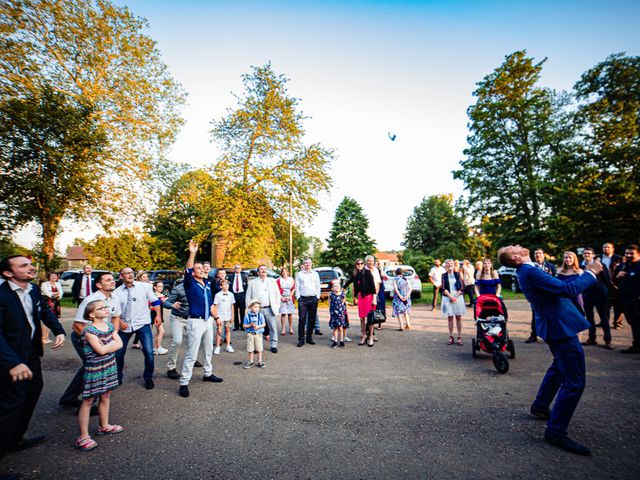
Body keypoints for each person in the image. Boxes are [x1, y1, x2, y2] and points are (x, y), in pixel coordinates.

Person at [498, 245, 602, 456]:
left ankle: (540, 405)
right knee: (574, 381)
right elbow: (567, 290)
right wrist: (592, 272)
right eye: (514, 247)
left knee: (559, 367)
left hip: (556, 324)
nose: (518, 245)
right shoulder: (530, 271)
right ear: (517, 257)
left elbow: (559, 284)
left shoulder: (529, 269)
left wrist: (580, 275)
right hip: (559, 327)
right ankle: (555, 432)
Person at [0, 255, 66, 458]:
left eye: (30, 264)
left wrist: (59, 330)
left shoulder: (34, 290)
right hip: (9, 357)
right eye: (24, 265)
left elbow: (44, 312)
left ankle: (15, 438)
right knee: (12, 403)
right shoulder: (1, 295)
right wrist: (12, 362)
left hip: (30, 352)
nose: (31, 267)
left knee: (33, 390)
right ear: (8, 273)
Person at [59, 272, 121, 410]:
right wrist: (97, 342)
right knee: (93, 368)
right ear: (99, 285)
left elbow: (116, 317)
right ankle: (89, 405)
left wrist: (112, 335)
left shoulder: (114, 297)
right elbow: (77, 325)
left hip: (103, 338)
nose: (113, 281)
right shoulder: (91, 300)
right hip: (85, 338)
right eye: (108, 280)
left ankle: (68, 398)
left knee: (90, 368)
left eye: (113, 279)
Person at [75, 300, 123, 451]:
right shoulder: (89, 331)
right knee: (89, 400)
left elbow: (120, 343)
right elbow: (100, 351)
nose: (105, 309)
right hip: (95, 368)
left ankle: (105, 426)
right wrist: (110, 347)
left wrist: (106, 347)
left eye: (105, 307)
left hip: (109, 365)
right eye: (101, 308)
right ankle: (83, 437)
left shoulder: (109, 326)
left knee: (106, 395)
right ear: (92, 314)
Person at [178, 240, 223, 398]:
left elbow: (211, 304)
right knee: (192, 352)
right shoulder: (190, 283)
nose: (202, 270)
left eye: (202, 268)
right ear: (193, 272)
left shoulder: (207, 284)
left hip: (208, 320)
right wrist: (192, 253)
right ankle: (184, 382)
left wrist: (216, 319)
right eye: (198, 268)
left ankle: (208, 373)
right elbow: (188, 268)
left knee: (209, 349)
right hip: (195, 321)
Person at [114, 267, 162, 390]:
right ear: (121, 276)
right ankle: (117, 377)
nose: (130, 275)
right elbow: (112, 310)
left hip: (143, 324)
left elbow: (155, 302)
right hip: (125, 326)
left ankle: (148, 378)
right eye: (126, 273)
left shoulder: (144, 287)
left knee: (149, 352)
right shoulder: (117, 292)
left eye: (131, 273)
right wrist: (119, 321)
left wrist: (158, 315)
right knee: (119, 353)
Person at [164, 278, 202, 379]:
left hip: (192, 318)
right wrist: (172, 305)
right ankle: (171, 367)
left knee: (194, 340)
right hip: (178, 318)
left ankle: (192, 360)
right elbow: (166, 303)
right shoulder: (178, 289)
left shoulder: (198, 287)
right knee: (177, 341)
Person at [580, 247, 612, 349]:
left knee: (604, 318)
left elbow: (607, 280)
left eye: (589, 253)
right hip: (587, 295)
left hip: (600, 295)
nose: (586, 255)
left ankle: (608, 340)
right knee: (589, 318)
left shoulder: (600, 265)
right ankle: (592, 338)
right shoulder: (581, 265)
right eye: (585, 253)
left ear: (593, 255)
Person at [246, 265, 282, 353]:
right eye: (261, 269)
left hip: (269, 308)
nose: (263, 270)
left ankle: (273, 345)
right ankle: (256, 346)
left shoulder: (272, 281)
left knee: (272, 327)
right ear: (258, 272)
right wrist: (248, 309)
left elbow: (277, 294)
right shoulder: (253, 282)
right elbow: (248, 296)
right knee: (255, 328)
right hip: (257, 310)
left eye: (264, 269)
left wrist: (277, 306)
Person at [525, 249, 557, 343]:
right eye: (535, 253)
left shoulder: (550, 266)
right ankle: (533, 335)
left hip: (548, 294)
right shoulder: (531, 266)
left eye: (539, 253)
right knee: (535, 315)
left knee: (550, 315)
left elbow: (555, 279)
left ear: (544, 255)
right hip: (536, 295)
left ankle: (551, 335)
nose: (537, 255)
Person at [614, 244, 640, 354]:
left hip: (638, 301)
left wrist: (628, 275)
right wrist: (617, 276)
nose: (628, 255)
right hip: (626, 301)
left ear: (638, 254)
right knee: (634, 324)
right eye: (627, 253)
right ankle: (637, 346)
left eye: (631, 253)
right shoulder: (623, 266)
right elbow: (614, 281)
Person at [294, 259, 321, 348]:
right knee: (302, 319)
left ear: (311, 264)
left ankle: (309, 338)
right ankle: (301, 339)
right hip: (302, 299)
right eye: (306, 263)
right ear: (304, 265)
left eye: (309, 263)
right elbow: (297, 287)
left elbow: (318, 286)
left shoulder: (315, 274)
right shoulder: (299, 274)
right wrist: (298, 297)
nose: (308, 264)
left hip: (313, 298)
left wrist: (317, 297)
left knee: (312, 319)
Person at [599, 242, 624, 329]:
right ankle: (604, 321)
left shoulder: (619, 258)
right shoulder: (599, 258)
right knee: (604, 304)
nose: (606, 249)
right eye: (604, 247)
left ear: (612, 249)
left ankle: (617, 324)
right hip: (604, 284)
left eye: (608, 247)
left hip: (616, 284)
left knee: (617, 305)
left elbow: (623, 269)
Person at [441, 259, 465, 346]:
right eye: (448, 263)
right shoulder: (443, 275)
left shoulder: (458, 274)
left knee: (458, 317)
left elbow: (462, 286)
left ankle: (459, 337)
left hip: (458, 298)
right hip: (447, 298)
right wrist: (451, 297)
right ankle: (451, 336)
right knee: (450, 317)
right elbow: (443, 288)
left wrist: (455, 297)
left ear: (454, 265)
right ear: (446, 266)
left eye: (451, 263)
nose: (450, 265)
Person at [213, 279, 235, 354]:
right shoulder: (217, 295)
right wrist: (216, 317)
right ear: (221, 286)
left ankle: (228, 345)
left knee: (228, 330)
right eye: (224, 284)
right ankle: (217, 347)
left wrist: (232, 315)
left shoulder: (231, 294)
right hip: (220, 315)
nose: (226, 286)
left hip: (228, 315)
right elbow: (215, 306)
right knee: (219, 330)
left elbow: (232, 306)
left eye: (227, 284)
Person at [40, 271, 63, 344]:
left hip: (56, 304)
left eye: (55, 276)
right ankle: (44, 338)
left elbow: (61, 293)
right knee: (47, 320)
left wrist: (58, 295)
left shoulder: (58, 284)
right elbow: (47, 293)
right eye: (52, 276)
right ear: (49, 277)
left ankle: (47, 337)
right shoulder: (44, 284)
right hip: (48, 303)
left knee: (53, 319)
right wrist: (56, 294)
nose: (54, 277)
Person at [243, 300, 266, 369]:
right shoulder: (247, 316)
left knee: (259, 348)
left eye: (258, 307)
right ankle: (251, 361)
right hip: (250, 334)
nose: (257, 309)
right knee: (250, 349)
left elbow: (264, 324)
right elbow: (244, 325)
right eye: (255, 307)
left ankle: (260, 361)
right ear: (250, 307)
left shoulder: (260, 315)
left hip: (258, 334)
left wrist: (258, 327)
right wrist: (250, 325)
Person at [329, 280, 347, 348]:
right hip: (334, 314)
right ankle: (335, 341)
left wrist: (342, 305)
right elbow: (330, 302)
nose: (336, 287)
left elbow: (344, 300)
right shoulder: (331, 295)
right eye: (335, 286)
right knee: (335, 328)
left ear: (340, 288)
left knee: (341, 328)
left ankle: (341, 341)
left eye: (338, 286)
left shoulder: (342, 294)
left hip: (340, 314)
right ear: (332, 288)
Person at [151, 281, 168, 355]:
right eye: (159, 286)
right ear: (155, 287)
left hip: (160, 315)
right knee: (162, 331)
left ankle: (156, 347)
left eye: (162, 286)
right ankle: (157, 348)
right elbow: (151, 307)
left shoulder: (161, 295)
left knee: (158, 332)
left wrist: (164, 301)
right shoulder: (153, 295)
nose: (161, 288)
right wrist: (160, 301)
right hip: (155, 316)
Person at [229, 264, 248, 331]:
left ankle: (242, 325)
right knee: (235, 311)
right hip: (234, 295)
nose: (238, 269)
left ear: (241, 269)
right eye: (236, 268)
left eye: (239, 268)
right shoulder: (230, 276)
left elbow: (246, 286)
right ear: (234, 269)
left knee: (242, 311)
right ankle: (236, 326)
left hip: (242, 295)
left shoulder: (244, 276)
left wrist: (245, 295)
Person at [277, 267, 296, 336]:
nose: (284, 272)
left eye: (285, 271)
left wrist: (290, 296)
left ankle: (291, 328)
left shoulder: (291, 279)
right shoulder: (279, 280)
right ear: (281, 273)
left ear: (288, 272)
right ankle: (283, 329)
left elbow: (293, 288)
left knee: (290, 314)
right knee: (283, 314)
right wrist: (281, 297)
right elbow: (277, 289)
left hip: (289, 297)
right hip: (282, 298)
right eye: (283, 271)